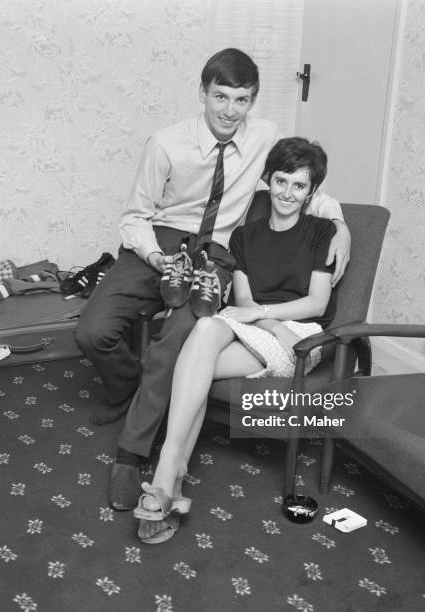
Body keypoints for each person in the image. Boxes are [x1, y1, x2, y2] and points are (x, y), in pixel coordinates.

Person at [74, 49, 351, 512]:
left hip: (216, 253)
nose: (229, 110)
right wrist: (156, 255)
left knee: (179, 335)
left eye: (241, 100)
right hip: (157, 241)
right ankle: (129, 388)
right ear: (202, 93)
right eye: (220, 96)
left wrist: (338, 223)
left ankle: (131, 453)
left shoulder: (264, 138)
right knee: (92, 332)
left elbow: (304, 182)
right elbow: (135, 216)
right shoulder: (165, 143)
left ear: (253, 102)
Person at [134, 136, 337, 543]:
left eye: (300, 186)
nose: (288, 193)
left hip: (298, 337)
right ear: (268, 179)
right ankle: (171, 470)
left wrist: (270, 320)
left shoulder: (322, 231)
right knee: (205, 330)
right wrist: (261, 318)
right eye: (281, 181)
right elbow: (242, 300)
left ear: (312, 190)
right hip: (251, 322)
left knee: (188, 360)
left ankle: (168, 472)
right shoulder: (245, 237)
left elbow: (316, 303)